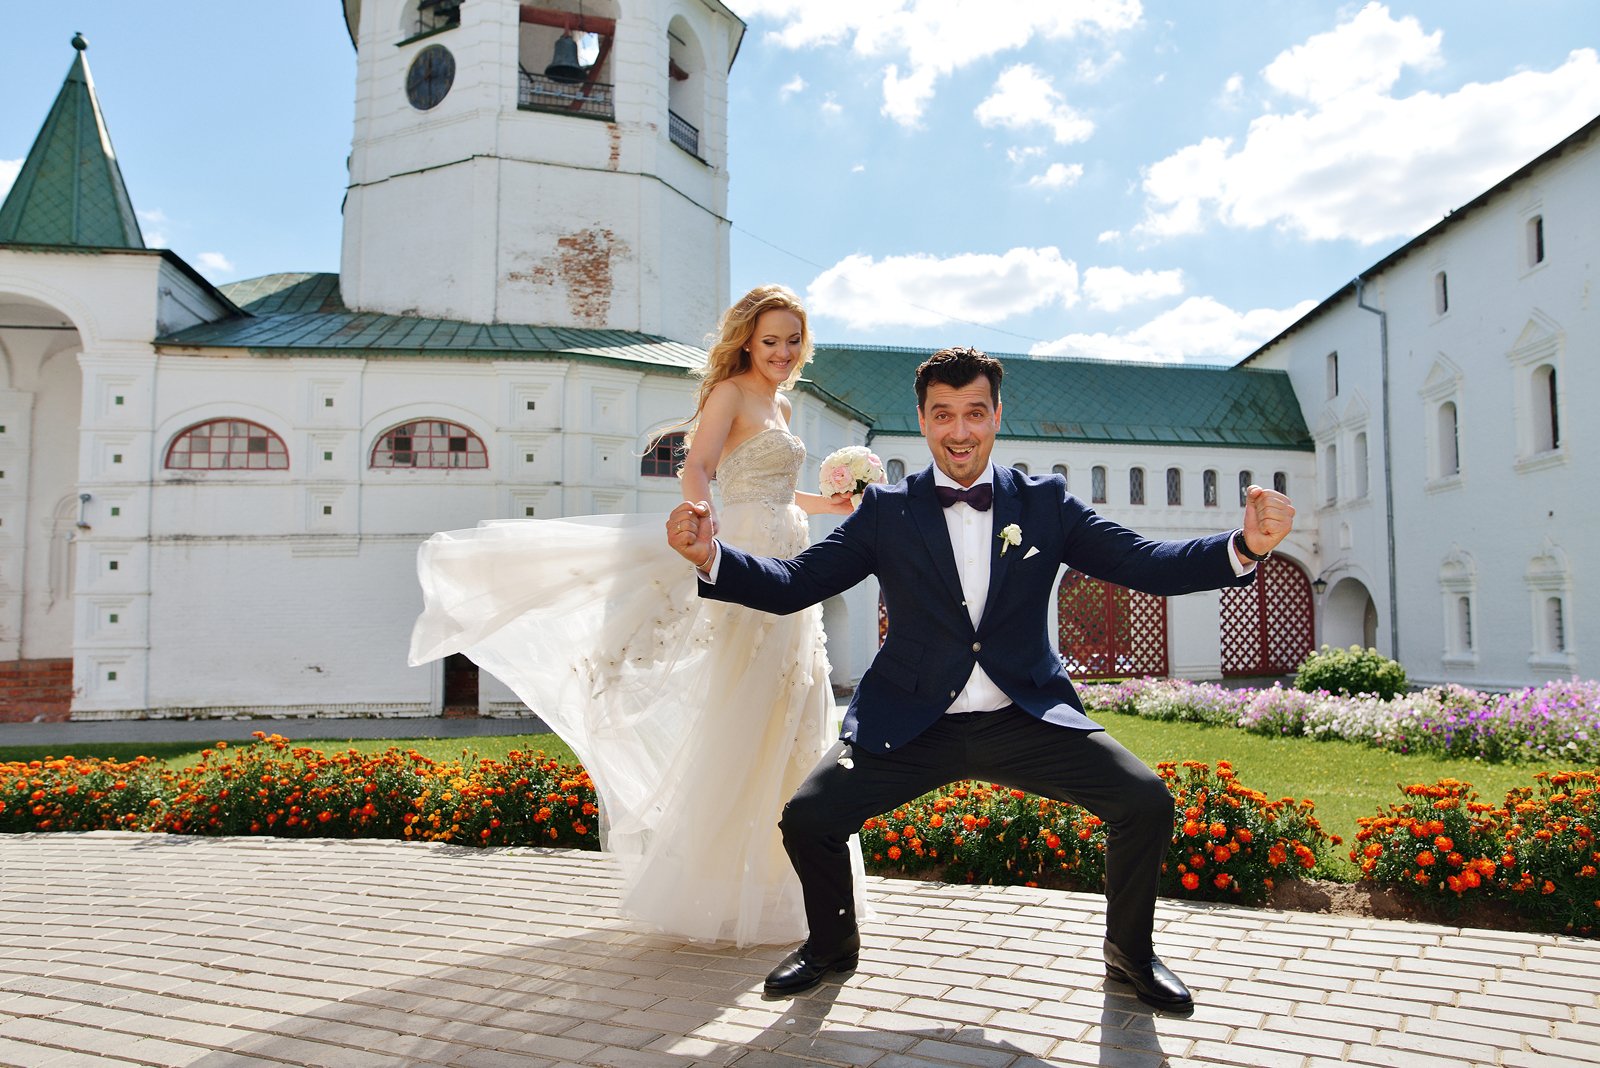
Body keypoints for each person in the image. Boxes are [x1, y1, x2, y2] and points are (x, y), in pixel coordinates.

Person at [666, 345, 1295, 1010]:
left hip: (1024, 717)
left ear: (997, 415)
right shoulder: (886, 511)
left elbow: (1146, 561)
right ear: (922, 420)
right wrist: (711, 557)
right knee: (808, 819)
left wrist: (1245, 547)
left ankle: (1129, 955)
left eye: (974, 412)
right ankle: (831, 945)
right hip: (913, 721)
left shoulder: (1046, 503)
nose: (959, 430)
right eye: (943, 414)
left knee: (1144, 802)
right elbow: (796, 583)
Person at [409, 284, 866, 947]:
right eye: (771, 340)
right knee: (748, 705)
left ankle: (788, 887)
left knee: (794, 709)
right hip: (744, 550)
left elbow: (772, 486)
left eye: (793, 340)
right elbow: (699, 466)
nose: (783, 351)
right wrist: (704, 517)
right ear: (747, 341)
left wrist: (832, 506)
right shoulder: (730, 392)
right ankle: (723, 891)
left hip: (791, 558)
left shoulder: (783, 404)